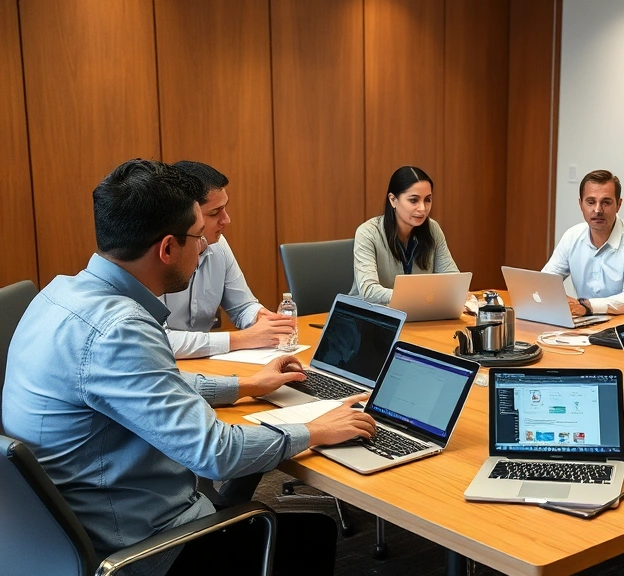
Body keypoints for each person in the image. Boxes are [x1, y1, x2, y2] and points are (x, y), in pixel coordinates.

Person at [1, 159, 377, 575]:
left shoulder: (58, 295)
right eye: (200, 237)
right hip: (140, 548)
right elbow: (215, 453)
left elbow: (157, 383)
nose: (205, 247)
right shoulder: (120, 330)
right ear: (166, 248)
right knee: (312, 536)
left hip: (60, 538)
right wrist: (319, 429)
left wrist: (247, 385)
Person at [162, 160, 294, 359]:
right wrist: (243, 339)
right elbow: (157, 341)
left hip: (206, 364)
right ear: (187, 216)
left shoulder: (218, 244)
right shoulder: (157, 256)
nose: (226, 220)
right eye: (215, 212)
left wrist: (262, 319)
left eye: (225, 208)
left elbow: (243, 306)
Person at [541, 169, 624, 316]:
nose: (598, 210)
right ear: (581, 204)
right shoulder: (572, 236)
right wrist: (563, 302)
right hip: (580, 322)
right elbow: (545, 281)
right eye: (591, 202)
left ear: (618, 205)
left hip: (617, 327)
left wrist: (587, 306)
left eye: (606, 202)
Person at [353, 165, 459, 304]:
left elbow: (453, 281)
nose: (422, 208)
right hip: (374, 315)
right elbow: (369, 291)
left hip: (419, 314)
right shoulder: (368, 233)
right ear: (393, 200)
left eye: (428, 200)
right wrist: (417, 297)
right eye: (413, 200)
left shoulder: (432, 229)